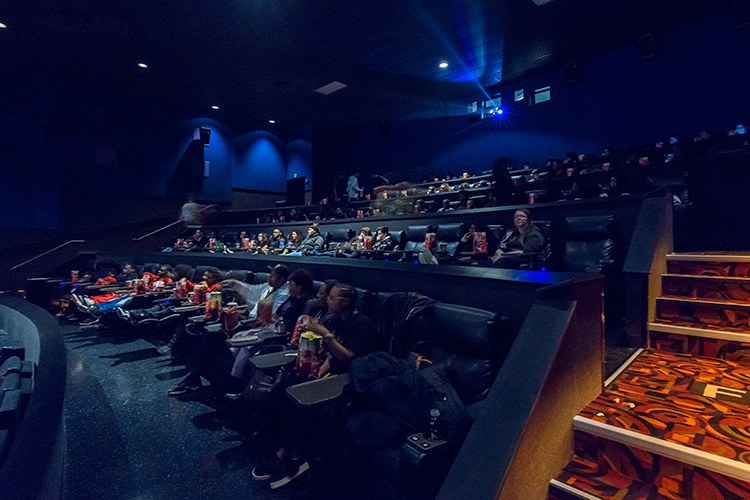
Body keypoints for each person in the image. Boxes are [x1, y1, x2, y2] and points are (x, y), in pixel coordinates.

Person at [251, 283, 378, 489]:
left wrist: (325, 334)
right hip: (334, 372)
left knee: (309, 398)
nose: (327, 300)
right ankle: (287, 445)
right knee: (291, 380)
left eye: (332, 298)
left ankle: (286, 453)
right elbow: (331, 357)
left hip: (354, 380)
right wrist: (320, 369)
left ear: (344, 302)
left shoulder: (362, 324)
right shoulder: (336, 319)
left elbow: (347, 358)